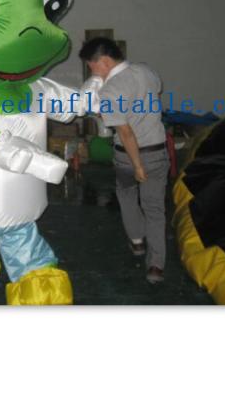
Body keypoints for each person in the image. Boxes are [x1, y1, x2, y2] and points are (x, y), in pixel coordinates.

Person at [79, 37, 169, 284]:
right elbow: (152, 94)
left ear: (104, 61)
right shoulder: (147, 70)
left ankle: (137, 242)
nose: (91, 72)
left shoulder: (109, 90)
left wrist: (138, 165)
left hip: (129, 156)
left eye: (91, 65)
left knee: (127, 196)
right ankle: (156, 265)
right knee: (154, 209)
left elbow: (126, 132)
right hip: (157, 152)